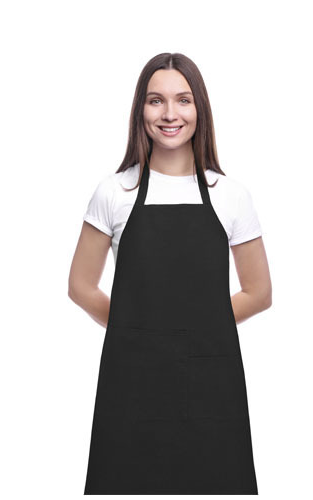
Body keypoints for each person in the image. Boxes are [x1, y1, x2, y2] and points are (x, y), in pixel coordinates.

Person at [68, 52, 272, 495]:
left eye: (183, 100)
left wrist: (198, 330)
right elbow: (80, 286)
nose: (169, 114)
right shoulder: (115, 191)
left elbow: (258, 292)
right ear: (140, 110)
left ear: (200, 108)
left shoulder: (231, 195)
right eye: (155, 100)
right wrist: (134, 330)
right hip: (131, 378)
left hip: (210, 379)